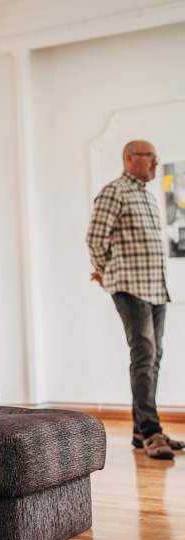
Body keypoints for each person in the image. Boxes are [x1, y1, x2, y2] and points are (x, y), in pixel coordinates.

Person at [86, 140, 183, 459]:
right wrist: (105, 270)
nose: (156, 163)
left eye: (156, 158)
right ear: (130, 159)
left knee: (154, 356)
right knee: (144, 354)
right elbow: (96, 238)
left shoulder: (146, 195)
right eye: (150, 158)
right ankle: (152, 432)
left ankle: (141, 431)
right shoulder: (115, 191)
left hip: (155, 287)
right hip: (130, 286)